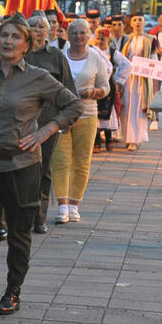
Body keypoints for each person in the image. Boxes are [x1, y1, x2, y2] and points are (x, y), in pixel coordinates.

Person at [0, 13, 81, 315]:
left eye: (16, 37)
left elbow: (73, 104)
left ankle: (12, 292)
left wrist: (47, 129)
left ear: (27, 44)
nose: (9, 42)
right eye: (4, 36)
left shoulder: (38, 77)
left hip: (22, 166)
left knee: (19, 233)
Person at [52, 19, 110, 223]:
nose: (78, 37)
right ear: (68, 35)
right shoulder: (59, 56)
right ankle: (62, 205)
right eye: (74, 33)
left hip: (87, 114)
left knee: (82, 162)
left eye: (82, 33)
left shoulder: (96, 57)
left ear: (89, 35)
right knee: (60, 160)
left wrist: (93, 92)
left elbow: (106, 87)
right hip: (62, 116)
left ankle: (74, 204)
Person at [25, 12, 77, 235]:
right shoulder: (21, 53)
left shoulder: (56, 56)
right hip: (22, 121)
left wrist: (66, 119)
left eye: (42, 26)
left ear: (49, 31)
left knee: (43, 169)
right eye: (33, 26)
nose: (38, 30)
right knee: (21, 170)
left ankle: (40, 217)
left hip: (48, 122)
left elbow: (69, 89)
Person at [93, 26, 132, 151]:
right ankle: (96, 142)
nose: (100, 41)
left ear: (108, 40)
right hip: (94, 85)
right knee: (95, 112)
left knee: (108, 111)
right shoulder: (92, 51)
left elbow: (127, 65)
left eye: (102, 39)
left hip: (108, 86)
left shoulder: (113, 52)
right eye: (98, 39)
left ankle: (109, 140)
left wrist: (117, 79)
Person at [120, 13, 155, 151]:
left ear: (144, 22)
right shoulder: (126, 39)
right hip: (128, 77)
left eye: (140, 20)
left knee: (139, 107)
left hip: (142, 79)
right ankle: (127, 137)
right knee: (127, 107)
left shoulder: (151, 39)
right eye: (134, 20)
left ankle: (135, 139)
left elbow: (154, 60)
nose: (137, 22)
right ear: (131, 23)